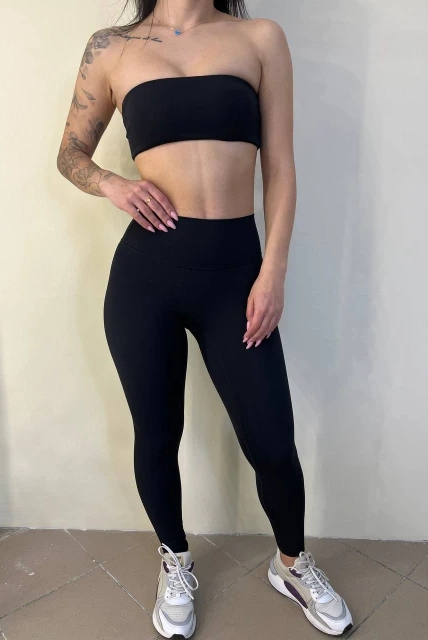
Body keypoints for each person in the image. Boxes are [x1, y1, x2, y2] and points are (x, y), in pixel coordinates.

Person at [56, 1, 353, 637]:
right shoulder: (112, 47)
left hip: (237, 275)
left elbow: (281, 165)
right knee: (157, 432)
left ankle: (292, 565)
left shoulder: (259, 38)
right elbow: (70, 154)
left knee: (272, 439)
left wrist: (273, 272)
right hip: (146, 277)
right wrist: (113, 184)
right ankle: (176, 561)